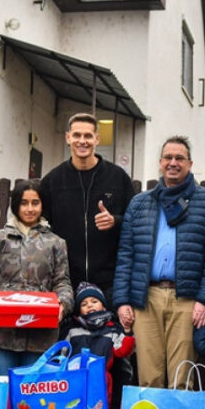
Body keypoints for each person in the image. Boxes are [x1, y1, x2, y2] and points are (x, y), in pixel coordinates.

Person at [113, 136, 205, 388]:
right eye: (168, 158)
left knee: (182, 376)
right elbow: (125, 256)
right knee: (148, 378)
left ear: (190, 163)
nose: (173, 163)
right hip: (145, 298)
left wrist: (204, 301)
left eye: (179, 158)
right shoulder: (140, 203)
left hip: (186, 299)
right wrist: (122, 302)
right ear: (160, 162)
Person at [0, 179, 74, 374]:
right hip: (1, 333)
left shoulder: (56, 243)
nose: (30, 209)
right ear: (15, 205)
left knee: (33, 397)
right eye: (24, 203)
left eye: (35, 203)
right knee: (5, 391)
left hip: (40, 335)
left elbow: (62, 282)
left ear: (42, 205)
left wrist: (63, 303)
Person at [40, 113, 136, 305]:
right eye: (77, 135)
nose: (82, 141)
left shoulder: (117, 178)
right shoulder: (53, 181)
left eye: (88, 136)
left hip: (109, 282)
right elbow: (41, 230)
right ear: (68, 138)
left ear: (97, 139)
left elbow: (136, 222)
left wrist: (115, 221)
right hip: (65, 282)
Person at [64, 281, 135, 409]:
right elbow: (62, 354)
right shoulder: (73, 330)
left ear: (103, 306)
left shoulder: (112, 329)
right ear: (79, 310)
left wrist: (127, 331)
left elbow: (122, 351)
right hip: (76, 379)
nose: (90, 305)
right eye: (84, 303)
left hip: (102, 378)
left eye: (94, 301)